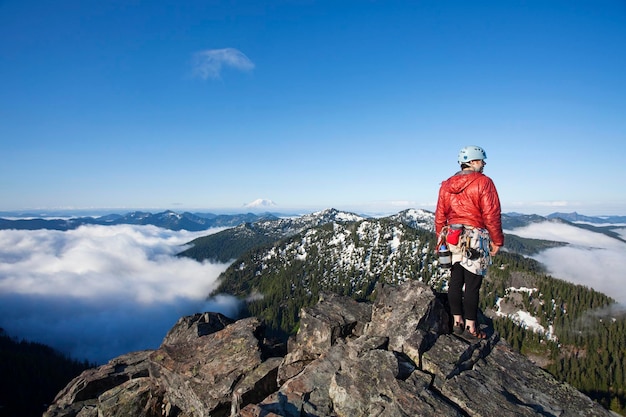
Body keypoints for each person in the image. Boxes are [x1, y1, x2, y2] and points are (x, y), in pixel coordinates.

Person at [435, 145, 504, 339]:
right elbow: (491, 214)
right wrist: (497, 240)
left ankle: (457, 322)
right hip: (475, 238)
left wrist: (439, 241)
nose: (483, 164)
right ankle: (471, 328)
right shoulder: (484, 182)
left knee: (456, 280)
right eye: (481, 161)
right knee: (472, 284)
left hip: (452, 236)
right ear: (472, 161)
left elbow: (440, 215)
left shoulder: (447, 185)